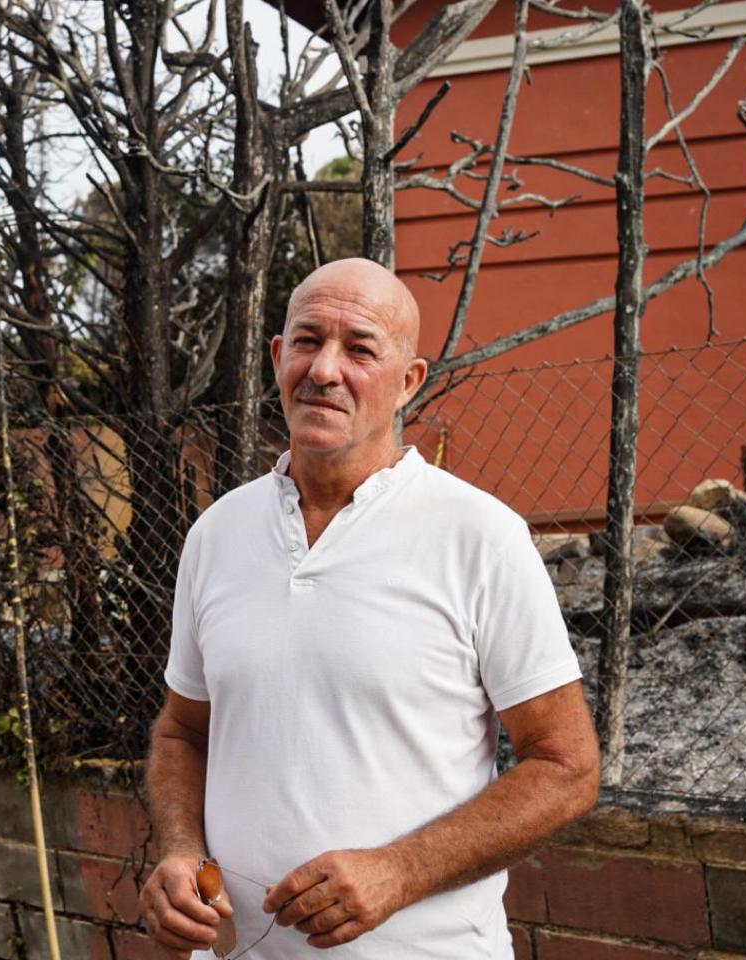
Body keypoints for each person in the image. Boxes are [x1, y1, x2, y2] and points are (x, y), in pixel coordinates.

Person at [140, 258, 600, 959]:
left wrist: (400, 870)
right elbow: (182, 733)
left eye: (359, 349)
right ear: (276, 357)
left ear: (408, 381)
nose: (325, 369)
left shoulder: (478, 537)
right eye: (307, 340)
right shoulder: (217, 535)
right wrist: (179, 851)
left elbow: (566, 767)